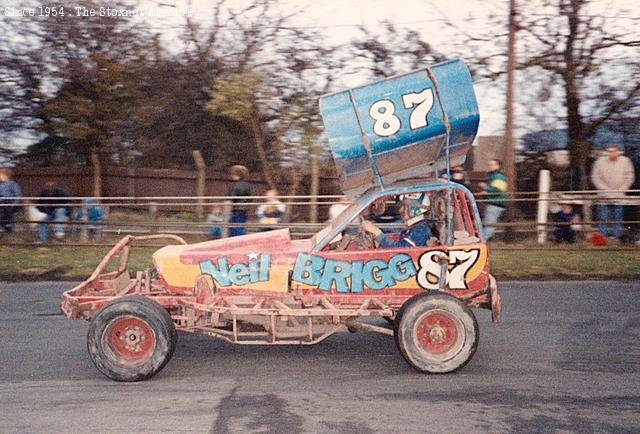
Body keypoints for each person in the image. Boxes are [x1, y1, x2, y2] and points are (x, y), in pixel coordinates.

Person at [590, 144, 635, 240]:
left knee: (617, 217)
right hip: (603, 195)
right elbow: (595, 177)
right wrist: (605, 190)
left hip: (619, 195)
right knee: (602, 217)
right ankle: (601, 238)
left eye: (614, 151)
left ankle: (617, 237)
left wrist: (621, 189)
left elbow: (629, 177)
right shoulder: (599, 162)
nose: (612, 153)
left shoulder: (625, 161)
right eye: (609, 151)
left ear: (618, 151)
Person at [362, 195, 432, 248]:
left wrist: (376, 232)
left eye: (403, 206)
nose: (400, 210)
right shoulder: (417, 227)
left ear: (413, 209)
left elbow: (400, 251)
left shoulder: (419, 231)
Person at [482, 159, 508, 240]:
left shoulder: (498, 176)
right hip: (494, 202)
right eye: (489, 165)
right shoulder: (494, 175)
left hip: (495, 202)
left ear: (498, 166)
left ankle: (483, 241)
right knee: (488, 222)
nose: (490, 166)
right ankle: (484, 239)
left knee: (489, 223)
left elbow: (498, 189)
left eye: (492, 164)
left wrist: (486, 189)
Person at [226, 165, 251, 237]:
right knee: (240, 226)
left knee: (235, 228)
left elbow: (231, 197)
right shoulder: (247, 185)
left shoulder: (234, 185)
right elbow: (250, 198)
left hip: (235, 209)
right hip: (244, 210)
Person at [0, 168, 22, 232]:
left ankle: (7, 226)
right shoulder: (1, 185)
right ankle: (6, 225)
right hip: (2, 203)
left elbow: (18, 195)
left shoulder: (12, 184)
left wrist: (14, 204)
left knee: (5, 213)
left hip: (10, 203)